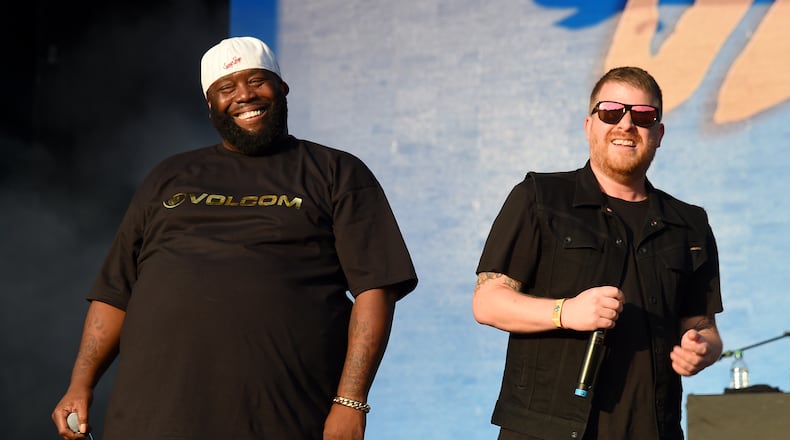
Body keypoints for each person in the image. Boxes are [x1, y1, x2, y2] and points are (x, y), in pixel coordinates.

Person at [52, 36, 418, 440]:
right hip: (150, 416)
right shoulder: (168, 177)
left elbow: (375, 290)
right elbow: (115, 293)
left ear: (282, 89)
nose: (244, 95)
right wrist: (80, 385)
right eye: (227, 88)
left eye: (257, 81)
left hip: (285, 415)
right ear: (210, 106)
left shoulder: (336, 171)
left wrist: (351, 401)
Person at [472, 66, 723, 440]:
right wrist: (565, 311)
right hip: (546, 430)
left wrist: (703, 350)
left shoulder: (689, 223)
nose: (625, 124)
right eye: (611, 112)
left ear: (659, 134)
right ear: (589, 125)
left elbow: (703, 327)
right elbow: (488, 303)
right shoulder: (539, 198)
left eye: (643, 116)